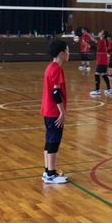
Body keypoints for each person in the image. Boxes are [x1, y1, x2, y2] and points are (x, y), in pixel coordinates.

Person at [41, 39, 70, 184]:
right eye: (67, 50)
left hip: (47, 111)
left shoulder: (50, 67)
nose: (69, 53)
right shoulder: (57, 69)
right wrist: (62, 112)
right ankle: (50, 175)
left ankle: (48, 170)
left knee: (49, 140)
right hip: (54, 112)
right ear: (61, 53)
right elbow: (55, 93)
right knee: (54, 141)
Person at [90, 30, 112, 96]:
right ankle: (109, 89)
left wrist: (89, 45)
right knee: (103, 75)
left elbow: (97, 49)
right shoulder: (102, 41)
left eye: (101, 32)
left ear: (103, 35)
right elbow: (99, 45)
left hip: (102, 61)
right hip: (103, 61)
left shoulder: (102, 41)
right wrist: (94, 41)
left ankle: (97, 90)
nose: (99, 32)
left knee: (97, 74)